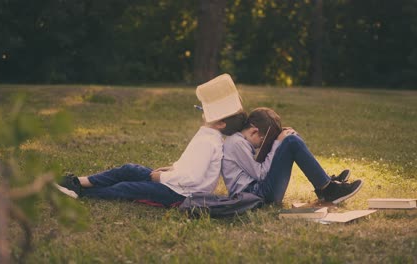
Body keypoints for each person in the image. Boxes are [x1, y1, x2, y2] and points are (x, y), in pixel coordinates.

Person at [55, 74, 247, 207]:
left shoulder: (209, 142)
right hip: (176, 183)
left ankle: (81, 193)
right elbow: (191, 166)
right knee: (129, 169)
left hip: (181, 195)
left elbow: (192, 178)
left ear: (220, 124)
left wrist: (161, 178)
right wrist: (172, 169)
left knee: (126, 188)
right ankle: (77, 182)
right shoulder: (207, 135)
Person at [222, 107, 363, 205]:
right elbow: (260, 174)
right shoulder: (236, 143)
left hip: (258, 191)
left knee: (290, 136)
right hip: (255, 194)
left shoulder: (240, 141)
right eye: (262, 141)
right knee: (290, 141)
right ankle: (328, 188)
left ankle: (324, 182)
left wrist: (277, 142)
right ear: (254, 131)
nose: (259, 146)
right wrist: (277, 143)